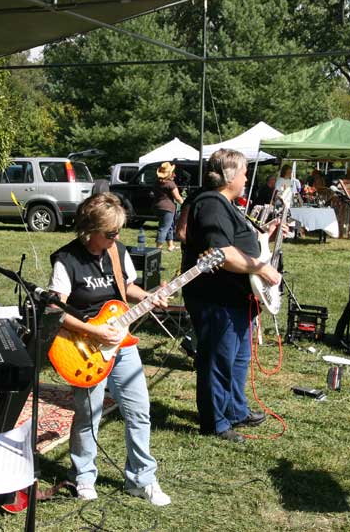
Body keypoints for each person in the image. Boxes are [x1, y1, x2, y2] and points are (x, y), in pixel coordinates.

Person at [48, 192, 171, 506]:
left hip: (122, 343)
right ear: (91, 229)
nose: (116, 237)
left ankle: (141, 479)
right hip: (84, 345)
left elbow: (125, 287)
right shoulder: (66, 259)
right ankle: (84, 477)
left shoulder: (118, 252)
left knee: (139, 411)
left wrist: (149, 296)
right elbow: (55, 309)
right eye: (111, 232)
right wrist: (94, 331)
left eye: (118, 232)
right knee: (89, 415)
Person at [181, 149, 282, 444]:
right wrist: (261, 267)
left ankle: (235, 409)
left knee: (238, 358)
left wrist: (266, 236)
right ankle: (215, 422)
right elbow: (222, 254)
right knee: (217, 359)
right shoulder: (212, 204)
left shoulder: (224, 204)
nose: (247, 177)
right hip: (215, 297)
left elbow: (240, 244)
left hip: (234, 298)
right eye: (244, 172)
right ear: (229, 176)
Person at [151, 162, 184, 251]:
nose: (175, 174)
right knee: (163, 228)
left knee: (169, 226)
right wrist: (185, 204)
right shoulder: (171, 184)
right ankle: (158, 249)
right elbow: (177, 197)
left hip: (157, 207)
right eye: (172, 172)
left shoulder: (157, 183)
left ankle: (171, 245)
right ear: (169, 174)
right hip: (168, 208)